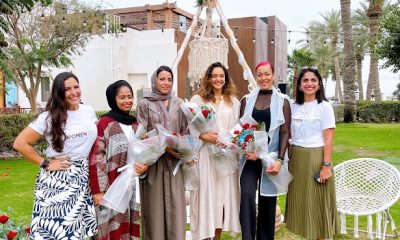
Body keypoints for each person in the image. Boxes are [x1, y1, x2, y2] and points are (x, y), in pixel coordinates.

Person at [13, 72, 98, 239]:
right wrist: (45, 163)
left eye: (76, 87)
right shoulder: (48, 117)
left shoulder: (88, 111)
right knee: (54, 231)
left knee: (76, 232)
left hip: (83, 178)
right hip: (58, 180)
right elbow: (20, 143)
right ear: (59, 92)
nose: (74, 92)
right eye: (67, 89)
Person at [89, 80, 148, 240]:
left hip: (132, 185)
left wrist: (144, 167)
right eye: (122, 97)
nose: (127, 101)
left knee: (130, 225)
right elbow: (97, 157)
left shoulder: (136, 125)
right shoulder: (105, 123)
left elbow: (143, 153)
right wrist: (99, 191)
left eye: (130, 97)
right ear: (113, 99)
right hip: (111, 186)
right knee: (111, 228)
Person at [285, 67, 339, 240]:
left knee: (317, 205)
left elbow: (329, 140)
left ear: (319, 84)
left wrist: (326, 166)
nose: (309, 84)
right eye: (305, 80)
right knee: (302, 205)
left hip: (316, 158)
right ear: (299, 85)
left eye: (313, 80)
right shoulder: (293, 106)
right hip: (297, 160)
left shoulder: (325, 107)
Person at [189, 62, 241, 240]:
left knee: (222, 198)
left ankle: (217, 236)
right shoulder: (198, 100)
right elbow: (191, 127)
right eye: (214, 76)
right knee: (206, 196)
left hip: (226, 156)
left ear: (226, 79)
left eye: (221, 76)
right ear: (208, 78)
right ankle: (204, 235)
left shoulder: (233, 102)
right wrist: (203, 137)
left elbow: (237, 128)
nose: (218, 79)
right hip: (206, 156)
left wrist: (227, 140)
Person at [239, 61, 291, 240]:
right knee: (246, 195)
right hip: (250, 158)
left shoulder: (283, 101)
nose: (263, 78)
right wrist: (247, 149)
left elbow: (285, 132)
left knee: (268, 202)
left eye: (267, 74)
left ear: (273, 75)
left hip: (271, 157)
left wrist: (280, 160)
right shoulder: (246, 100)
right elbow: (242, 130)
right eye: (259, 74)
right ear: (256, 77)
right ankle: (247, 236)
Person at [136, 65, 188, 240]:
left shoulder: (180, 104)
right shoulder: (145, 104)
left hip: (174, 166)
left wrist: (181, 146)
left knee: (176, 211)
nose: (166, 83)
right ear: (154, 80)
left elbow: (185, 132)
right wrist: (164, 147)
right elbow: (141, 136)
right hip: (153, 165)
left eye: (169, 79)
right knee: (154, 212)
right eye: (162, 79)